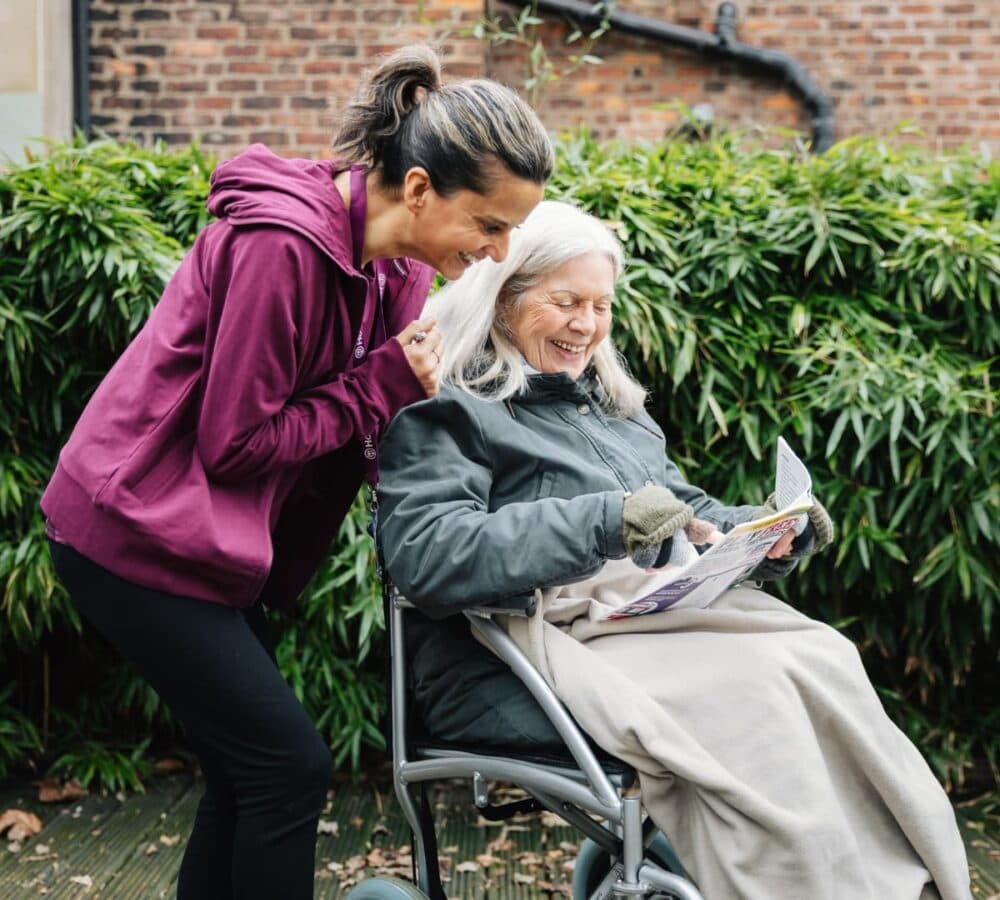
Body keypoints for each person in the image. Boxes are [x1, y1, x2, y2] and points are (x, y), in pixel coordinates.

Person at [40, 44, 551, 900]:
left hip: (211, 545)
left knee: (247, 776)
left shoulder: (394, 266)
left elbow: (379, 417)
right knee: (287, 768)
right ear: (420, 189)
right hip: (129, 530)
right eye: (489, 225)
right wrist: (382, 383)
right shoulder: (283, 243)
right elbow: (234, 443)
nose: (498, 252)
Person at [376, 201, 972, 900]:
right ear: (501, 300)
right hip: (507, 651)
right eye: (566, 302)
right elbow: (424, 552)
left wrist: (768, 530)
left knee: (819, 656)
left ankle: (888, 883)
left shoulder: (608, 410)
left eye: (601, 305)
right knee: (752, 693)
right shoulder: (447, 407)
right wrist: (606, 520)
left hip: (634, 628)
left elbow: (683, 516)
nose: (587, 325)